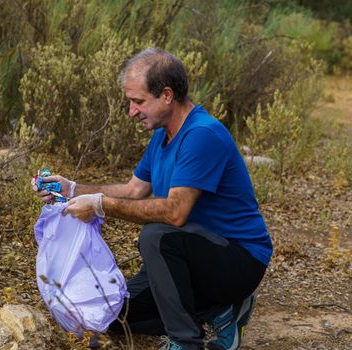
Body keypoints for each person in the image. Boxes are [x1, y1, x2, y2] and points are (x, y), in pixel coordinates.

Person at [34, 48, 272, 350]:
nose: (132, 111)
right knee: (112, 315)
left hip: (238, 259)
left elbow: (175, 213)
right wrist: (72, 188)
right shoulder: (163, 134)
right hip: (192, 253)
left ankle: (185, 342)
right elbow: (134, 189)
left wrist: (99, 205)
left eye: (138, 101)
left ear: (167, 95)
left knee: (156, 236)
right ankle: (220, 311)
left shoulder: (202, 134)